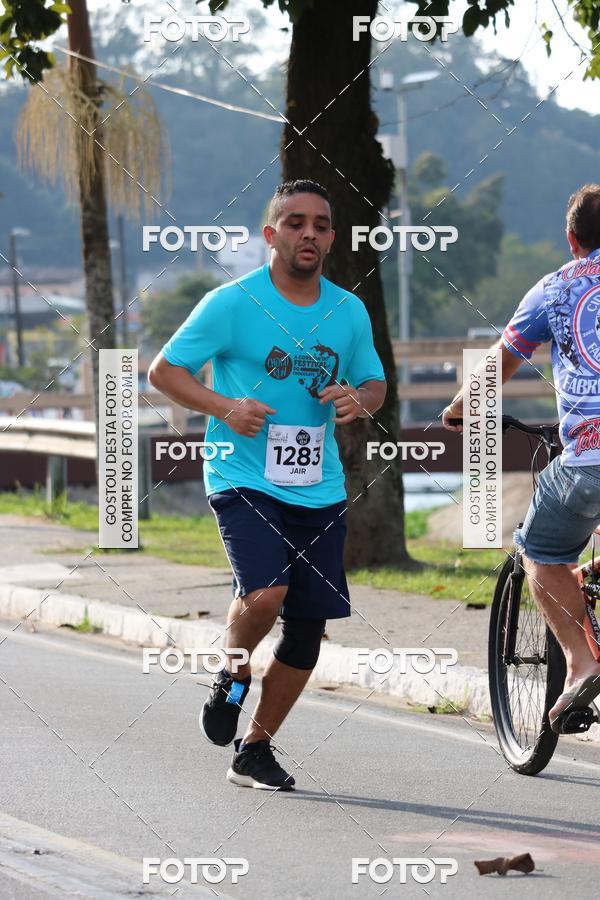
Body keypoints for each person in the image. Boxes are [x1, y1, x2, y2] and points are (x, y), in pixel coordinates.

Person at [149, 180, 386, 788]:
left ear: (331, 239)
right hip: (242, 472)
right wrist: (225, 407)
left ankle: (254, 748)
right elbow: (164, 372)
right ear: (271, 234)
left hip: (319, 485)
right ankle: (232, 672)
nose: (310, 233)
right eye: (296, 222)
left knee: (307, 628)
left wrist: (359, 399)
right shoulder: (231, 303)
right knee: (265, 593)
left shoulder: (349, 310)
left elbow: (374, 382)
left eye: (321, 225)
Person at [442, 184, 600, 732]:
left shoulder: (554, 288)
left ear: (571, 239)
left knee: (540, 549)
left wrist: (459, 409)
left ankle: (580, 665)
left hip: (588, 457)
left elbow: (501, 362)